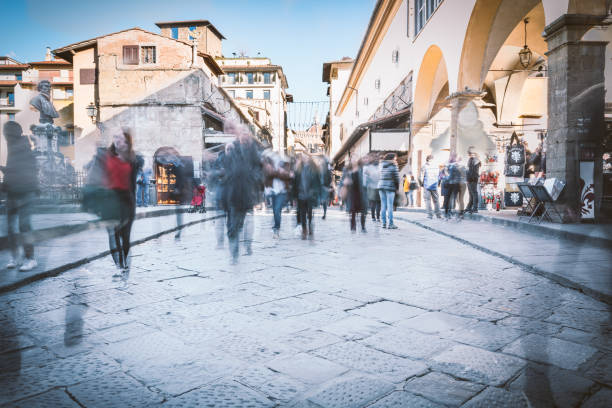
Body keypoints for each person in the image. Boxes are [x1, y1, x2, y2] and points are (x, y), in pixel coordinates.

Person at [1, 122, 39, 271]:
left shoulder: (21, 147)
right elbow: (12, 170)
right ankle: (15, 257)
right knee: (10, 228)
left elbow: (19, 170)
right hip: (12, 192)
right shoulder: (11, 146)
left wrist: (4, 169)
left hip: (26, 192)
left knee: (24, 226)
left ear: (10, 134)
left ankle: (30, 258)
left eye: (6, 133)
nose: (5, 136)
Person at [223, 123, 263, 263]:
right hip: (233, 193)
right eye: (241, 132)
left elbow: (259, 169)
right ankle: (234, 253)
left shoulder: (253, 150)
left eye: (246, 132)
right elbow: (225, 168)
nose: (244, 135)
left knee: (240, 224)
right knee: (233, 226)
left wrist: (253, 178)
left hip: (246, 193)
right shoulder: (232, 148)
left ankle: (245, 245)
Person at [101, 128, 138, 271]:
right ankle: (119, 265)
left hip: (127, 201)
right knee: (114, 234)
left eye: (121, 138)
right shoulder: (106, 157)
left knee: (125, 235)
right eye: (115, 137)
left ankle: (125, 259)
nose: (117, 140)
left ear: (127, 142)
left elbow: (133, 184)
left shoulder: (132, 159)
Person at [263, 151, 292, 238]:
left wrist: (277, 173)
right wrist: (278, 173)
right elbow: (268, 174)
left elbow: (288, 176)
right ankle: (276, 225)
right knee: (276, 211)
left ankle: (276, 229)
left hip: (282, 191)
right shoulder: (268, 165)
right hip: (272, 190)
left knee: (276, 210)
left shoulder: (286, 165)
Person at [294, 154, 320, 239]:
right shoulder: (298, 169)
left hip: (310, 195)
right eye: (303, 157)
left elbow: (317, 182)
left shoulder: (313, 169)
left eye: (306, 157)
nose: (304, 158)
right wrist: (294, 195)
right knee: (302, 213)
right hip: (301, 194)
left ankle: (310, 225)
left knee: (309, 212)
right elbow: (295, 183)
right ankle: (304, 230)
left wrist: (315, 192)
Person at [378, 153, 400, 229]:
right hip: (390, 186)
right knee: (390, 205)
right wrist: (397, 188)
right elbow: (397, 178)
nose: (396, 160)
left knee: (383, 205)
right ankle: (390, 224)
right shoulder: (394, 165)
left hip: (381, 186)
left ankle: (383, 223)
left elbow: (378, 175)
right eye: (395, 158)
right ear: (392, 158)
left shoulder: (381, 165)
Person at [347, 158, 367, 232]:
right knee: (352, 210)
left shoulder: (361, 169)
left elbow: (365, 180)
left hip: (361, 192)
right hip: (352, 193)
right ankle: (353, 227)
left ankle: (363, 226)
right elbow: (343, 181)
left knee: (363, 210)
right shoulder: (348, 171)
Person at [420, 154, 441, 219]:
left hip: (427, 185)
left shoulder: (424, 166)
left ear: (427, 159)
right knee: (436, 200)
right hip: (434, 185)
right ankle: (438, 215)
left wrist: (421, 184)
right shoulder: (437, 166)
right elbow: (440, 177)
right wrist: (438, 184)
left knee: (427, 200)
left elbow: (420, 177)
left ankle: (430, 215)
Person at [363, 154, 380, 222]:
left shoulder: (368, 167)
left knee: (373, 203)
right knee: (378, 203)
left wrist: (366, 185)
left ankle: (374, 217)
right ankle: (377, 217)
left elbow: (365, 178)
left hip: (371, 187)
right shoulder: (380, 166)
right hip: (378, 187)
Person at [443, 155, 461, 219]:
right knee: (452, 199)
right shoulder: (455, 166)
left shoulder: (451, 166)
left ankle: (448, 212)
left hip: (451, 184)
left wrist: (447, 179)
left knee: (449, 198)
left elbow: (448, 175)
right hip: (454, 184)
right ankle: (449, 212)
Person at [466, 147, 481, 214]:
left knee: (474, 194)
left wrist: (470, 178)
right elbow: (469, 170)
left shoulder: (476, 160)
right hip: (469, 179)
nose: (470, 154)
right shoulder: (471, 160)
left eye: (472, 153)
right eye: (469, 153)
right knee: (471, 194)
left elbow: (474, 171)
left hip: (473, 179)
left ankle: (475, 208)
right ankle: (469, 207)